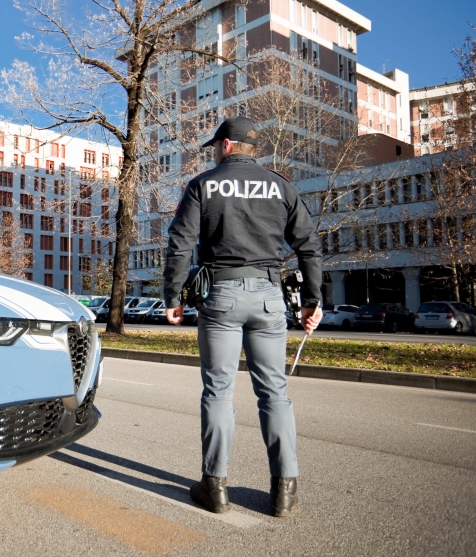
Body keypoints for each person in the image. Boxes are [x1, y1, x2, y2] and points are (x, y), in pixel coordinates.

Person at [163, 116, 323, 518]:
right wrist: (311, 300)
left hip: (221, 296)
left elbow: (180, 243)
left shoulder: (203, 184)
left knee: (218, 391)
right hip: (269, 297)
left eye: (216, 145)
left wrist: (174, 295)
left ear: (227, 145)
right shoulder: (281, 185)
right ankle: (284, 491)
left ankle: (214, 487)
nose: (215, 152)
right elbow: (309, 244)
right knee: (274, 393)